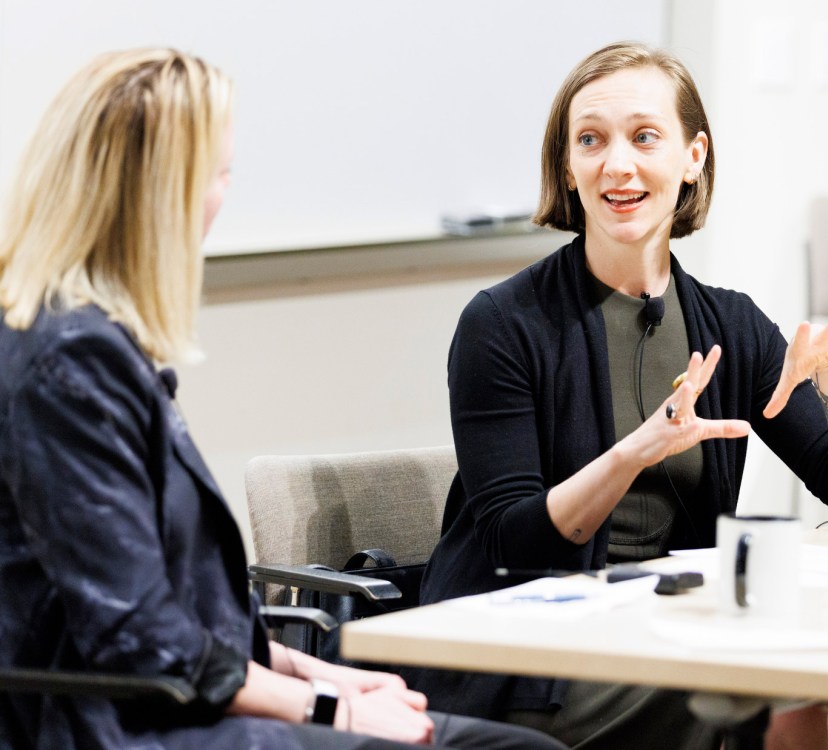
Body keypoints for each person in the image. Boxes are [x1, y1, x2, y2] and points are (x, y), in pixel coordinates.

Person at [0, 48, 565, 750]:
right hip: (118, 728)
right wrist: (329, 710)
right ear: (159, 197)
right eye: (218, 175)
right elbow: (144, 639)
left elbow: (189, 618)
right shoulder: (69, 366)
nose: (223, 196)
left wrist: (318, 675)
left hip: (174, 705)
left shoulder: (87, 345)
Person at [413, 41, 828, 750]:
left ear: (692, 157)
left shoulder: (729, 325)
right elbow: (514, 543)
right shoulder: (503, 324)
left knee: (789, 672)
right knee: (755, 683)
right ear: (568, 167)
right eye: (591, 140)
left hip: (666, 626)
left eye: (644, 137)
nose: (617, 164)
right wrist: (634, 453)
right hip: (527, 655)